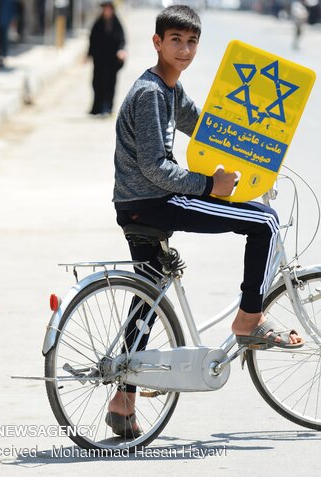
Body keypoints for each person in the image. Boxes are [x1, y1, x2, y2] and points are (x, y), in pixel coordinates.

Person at [108, 5, 304, 438]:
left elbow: (207, 129)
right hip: (155, 200)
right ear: (157, 42)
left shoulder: (170, 92)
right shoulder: (151, 95)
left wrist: (257, 153)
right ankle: (248, 320)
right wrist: (209, 184)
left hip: (137, 205)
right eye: (175, 40)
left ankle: (122, 400)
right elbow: (157, 167)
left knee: (149, 293)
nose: (184, 49)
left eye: (191, 41)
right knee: (266, 224)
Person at [88, 1, 126, 116]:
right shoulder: (98, 23)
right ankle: (97, 108)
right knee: (97, 83)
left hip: (111, 61)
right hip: (99, 60)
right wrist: (88, 54)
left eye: (109, 9)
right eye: (105, 9)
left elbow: (122, 40)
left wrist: (121, 50)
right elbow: (92, 40)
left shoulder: (117, 24)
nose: (107, 11)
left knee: (110, 84)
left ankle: (107, 107)